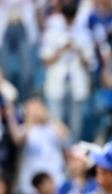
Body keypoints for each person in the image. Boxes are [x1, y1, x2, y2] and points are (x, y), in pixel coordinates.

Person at [40, 3, 96, 143]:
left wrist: (78, 50)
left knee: (76, 124)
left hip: (76, 82)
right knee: (55, 121)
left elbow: (90, 63)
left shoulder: (84, 34)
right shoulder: (52, 33)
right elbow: (46, 60)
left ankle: (74, 154)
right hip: (57, 82)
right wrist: (63, 49)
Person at [9, 98, 69, 194]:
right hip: (31, 184)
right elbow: (19, 140)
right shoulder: (24, 129)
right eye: (32, 108)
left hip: (55, 180)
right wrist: (29, 118)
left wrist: (48, 116)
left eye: (39, 107)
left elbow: (65, 134)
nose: (36, 111)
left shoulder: (52, 127)